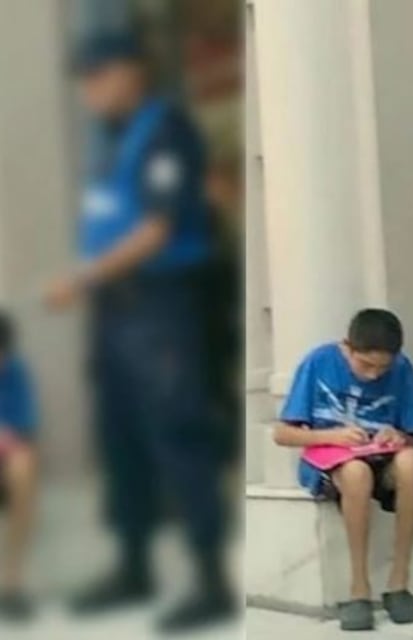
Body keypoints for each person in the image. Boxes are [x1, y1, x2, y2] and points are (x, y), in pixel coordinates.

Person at [42, 32, 234, 632]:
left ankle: (210, 578)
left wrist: (81, 279)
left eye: (100, 77)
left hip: (162, 305)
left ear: (130, 73)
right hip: (117, 310)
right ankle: (133, 564)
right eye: (85, 81)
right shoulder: (111, 136)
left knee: (177, 432)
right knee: (120, 434)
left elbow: (157, 229)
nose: (91, 92)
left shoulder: (164, 129)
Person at [273, 309, 413, 632]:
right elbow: (283, 434)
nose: (373, 375)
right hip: (333, 458)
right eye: (365, 365)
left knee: (412, 461)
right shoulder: (318, 362)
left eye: (382, 368)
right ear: (348, 347)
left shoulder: (402, 369)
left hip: (380, 454)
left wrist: (397, 436)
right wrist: (331, 435)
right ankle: (359, 588)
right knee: (357, 473)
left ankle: (399, 582)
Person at [0, 313, 39, 622]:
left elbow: (24, 432)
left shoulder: (15, 372)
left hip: (5, 462)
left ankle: (11, 584)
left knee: (24, 467)